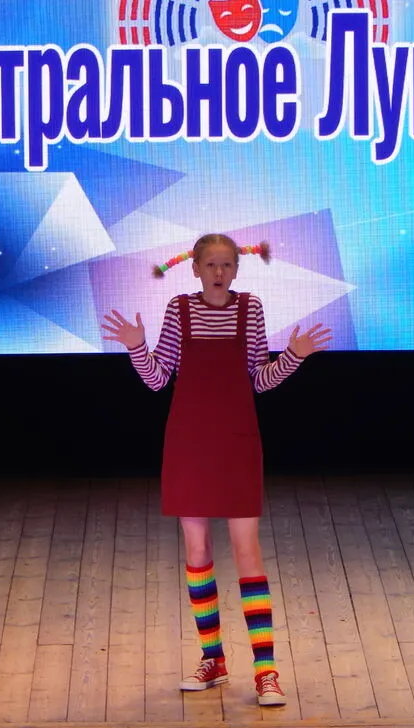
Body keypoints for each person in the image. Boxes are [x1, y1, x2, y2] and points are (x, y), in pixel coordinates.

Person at [101, 233, 332, 708]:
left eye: (227, 264)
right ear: (195, 269)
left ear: (236, 269)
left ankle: (266, 671)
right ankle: (214, 660)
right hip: (189, 443)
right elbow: (158, 379)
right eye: (211, 264)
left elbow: (260, 379)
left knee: (248, 552)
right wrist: (136, 347)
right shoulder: (179, 310)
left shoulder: (250, 309)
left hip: (236, 442)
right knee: (197, 550)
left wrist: (294, 357)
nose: (219, 272)